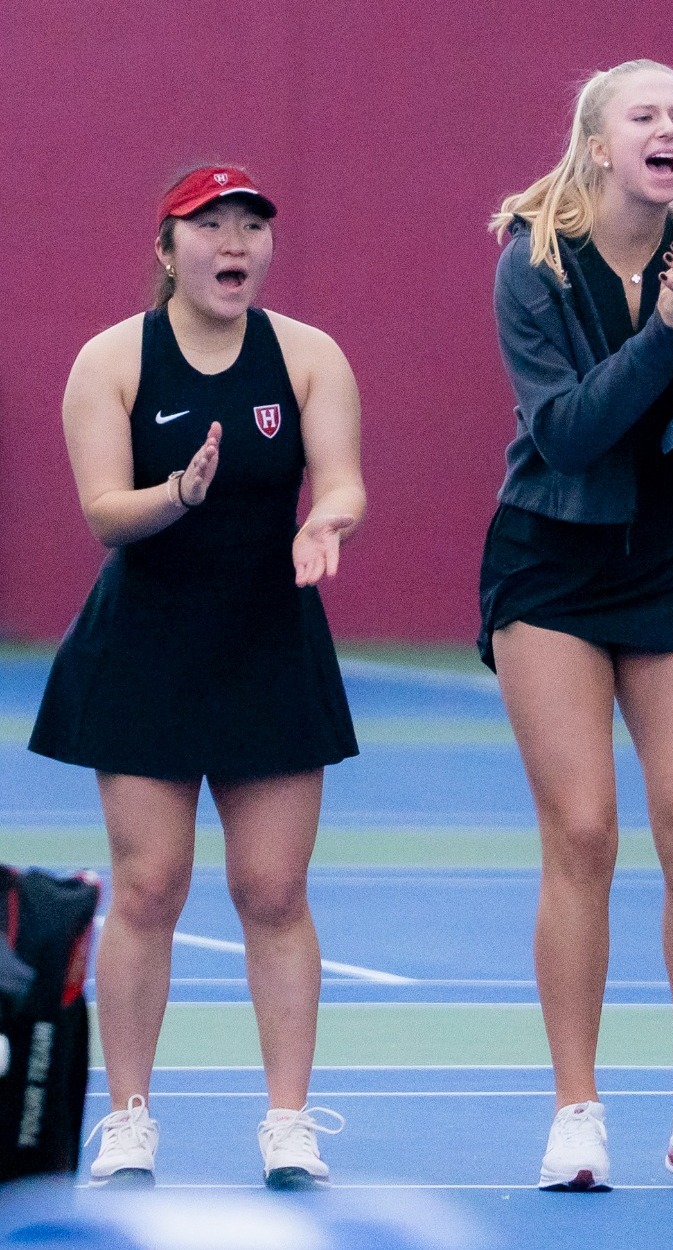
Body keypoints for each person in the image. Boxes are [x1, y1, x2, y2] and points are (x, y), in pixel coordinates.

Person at [33, 165, 366, 1189]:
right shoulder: (112, 360)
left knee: (273, 888)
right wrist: (175, 492)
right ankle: (128, 1116)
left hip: (269, 640)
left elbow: (343, 474)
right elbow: (102, 508)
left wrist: (326, 518)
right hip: (146, 644)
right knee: (148, 884)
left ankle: (290, 1120)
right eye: (211, 227)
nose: (235, 244)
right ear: (169, 247)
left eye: (251, 228)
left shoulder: (307, 355)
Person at [482, 59, 673, 1190]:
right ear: (598, 144)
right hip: (550, 558)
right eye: (644, 115)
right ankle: (575, 1109)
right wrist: (665, 331)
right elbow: (567, 429)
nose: (669, 129)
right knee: (586, 833)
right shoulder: (532, 260)